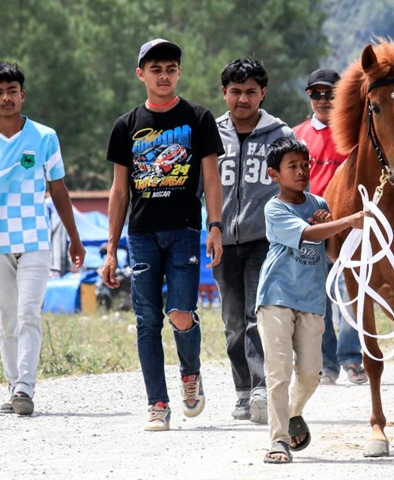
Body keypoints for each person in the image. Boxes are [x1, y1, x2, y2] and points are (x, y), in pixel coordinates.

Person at [102, 39, 225, 431]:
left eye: (171, 68)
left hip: (186, 230)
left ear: (179, 73)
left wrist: (215, 227)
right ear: (141, 74)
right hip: (141, 234)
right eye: (155, 69)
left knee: (181, 313)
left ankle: (191, 373)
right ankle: (157, 403)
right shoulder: (127, 125)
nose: (164, 75)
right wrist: (109, 250)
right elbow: (120, 190)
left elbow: (211, 178)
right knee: (146, 319)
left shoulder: (198, 118)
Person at [0, 62, 85, 416]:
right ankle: (13, 383)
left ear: (22, 95)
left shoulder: (44, 137)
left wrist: (75, 239)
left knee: (29, 312)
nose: (6, 98)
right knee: (5, 318)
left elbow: (59, 189)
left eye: (12, 91)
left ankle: (25, 388)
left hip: (35, 240)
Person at [256, 137, 366, 463]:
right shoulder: (275, 208)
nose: (302, 171)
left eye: (305, 165)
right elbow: (306, 234)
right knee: (278, 372)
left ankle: (292, 413)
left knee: (310, 374)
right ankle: (277, 442)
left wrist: (332, 228)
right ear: (274, 174)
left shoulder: (319, 204)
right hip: (276, 297)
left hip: (312, 302)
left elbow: (330, 252)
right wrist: (344, 221)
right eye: (293, 167)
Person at [214, 58, 296, 424]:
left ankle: (263, 388)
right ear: (224, 93)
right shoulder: (211, 133)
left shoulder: (282, 134)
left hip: (266, 240)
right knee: (232, 321)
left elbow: (296, 184)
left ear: (263, 93)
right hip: (223, 239)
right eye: (235, 92)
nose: (242, 99)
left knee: (256, 316)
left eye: (250, 92)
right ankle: (243, 392)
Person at [292, 68, 366, 385]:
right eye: (317, 94)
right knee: (316, 297)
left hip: (346, 225)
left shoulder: (354, 134)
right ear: (309, 96)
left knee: (350, 292)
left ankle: (351, 357)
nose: (323, 100)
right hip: (310, 225)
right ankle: (326, 363)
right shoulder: (296, 136)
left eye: (330, 94)